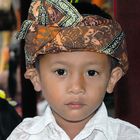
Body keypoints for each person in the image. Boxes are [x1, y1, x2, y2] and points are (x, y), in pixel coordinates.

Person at [7, 0, 140, 139]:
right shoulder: (23, 136)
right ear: (36, 78)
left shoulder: (128, 136)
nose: (76, 87)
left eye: (91, 73)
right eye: (61, 72)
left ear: (112, 79)